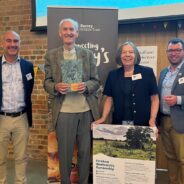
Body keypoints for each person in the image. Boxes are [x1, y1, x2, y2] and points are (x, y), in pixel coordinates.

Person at [44, 18, 100, 184]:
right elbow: (46, 82)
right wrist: (56, 86)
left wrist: (86, 85)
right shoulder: (51, 55)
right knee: (65, 153)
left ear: (77, 33)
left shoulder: (87, 54)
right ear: (60, 33)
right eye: (65, 29)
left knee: (84, 153)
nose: (69, 32)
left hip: (85, 111)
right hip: (63, 112)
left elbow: (96, 81)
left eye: (72, 30)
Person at [93, 41, 159, 127]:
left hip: (143, 123)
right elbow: (109, 99)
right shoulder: (113, 75)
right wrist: (103, 118)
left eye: (131, 52)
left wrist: (152, 119)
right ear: (120, 56)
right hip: (119, 122)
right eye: (124, 52)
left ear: (136, 55)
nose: (127, 55)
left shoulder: (147, 72)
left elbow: (155, 99)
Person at [0, 31, 34, 184]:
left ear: (20, 43)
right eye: (8, 41)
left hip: (21, 117)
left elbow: (29, 89)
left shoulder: (28, 66)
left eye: (16, 41)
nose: (12, 44)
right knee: (0, 158)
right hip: (1, 118)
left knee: (21, 157)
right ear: (2, 43)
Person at [158, 38, 184, 184]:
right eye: (171, 50)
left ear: (183, 52)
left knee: (182, 159)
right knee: (170, 157)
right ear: (167, 52)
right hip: (165, 120)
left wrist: (178, 100)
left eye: (177, 50)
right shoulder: (163, 72)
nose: (174, 53)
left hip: (181, 122)